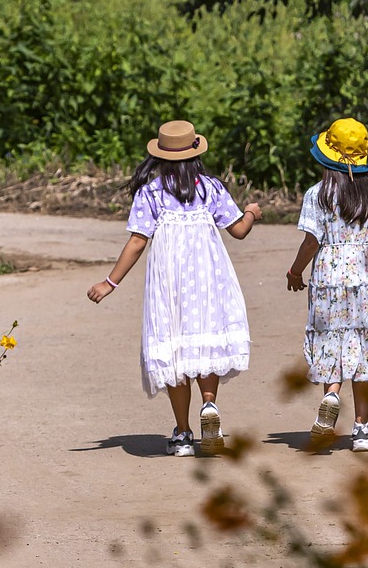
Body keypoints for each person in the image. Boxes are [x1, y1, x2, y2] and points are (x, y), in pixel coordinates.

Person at [89, 120, 260, 456]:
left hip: (168, 283)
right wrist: (252, 212)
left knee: (175, 348)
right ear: (195, 154)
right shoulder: (210, 188)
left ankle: (183, 433)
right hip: (207, 280)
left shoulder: (151, 193)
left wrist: (110, 282)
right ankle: (209, 406)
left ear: (161, 157)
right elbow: (238, 230)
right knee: (204, 342)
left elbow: (138, 241)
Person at [285, 118, 368, 451]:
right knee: (365, 351)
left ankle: (331, 395)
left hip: (330, 280)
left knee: (334, 340)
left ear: (327, 158)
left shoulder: (318, 195)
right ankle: (361, 429)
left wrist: (295, 272)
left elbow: (311, 243)